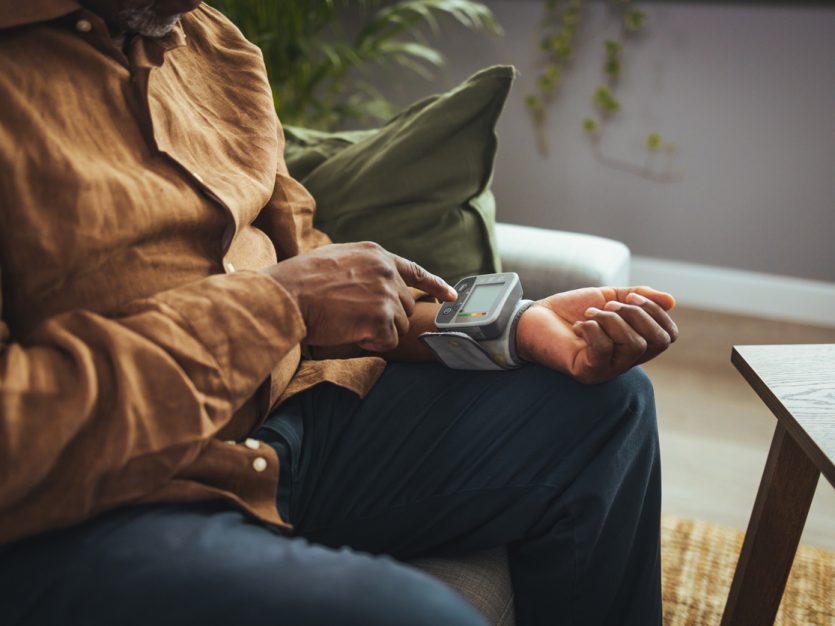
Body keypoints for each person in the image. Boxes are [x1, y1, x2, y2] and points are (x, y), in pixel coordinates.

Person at [0, 1, 678, 625]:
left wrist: (514, 328)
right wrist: (278, 306)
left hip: (293, 424)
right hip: (101, 502)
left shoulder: (211, 43)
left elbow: (317, 271)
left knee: (607, 407)